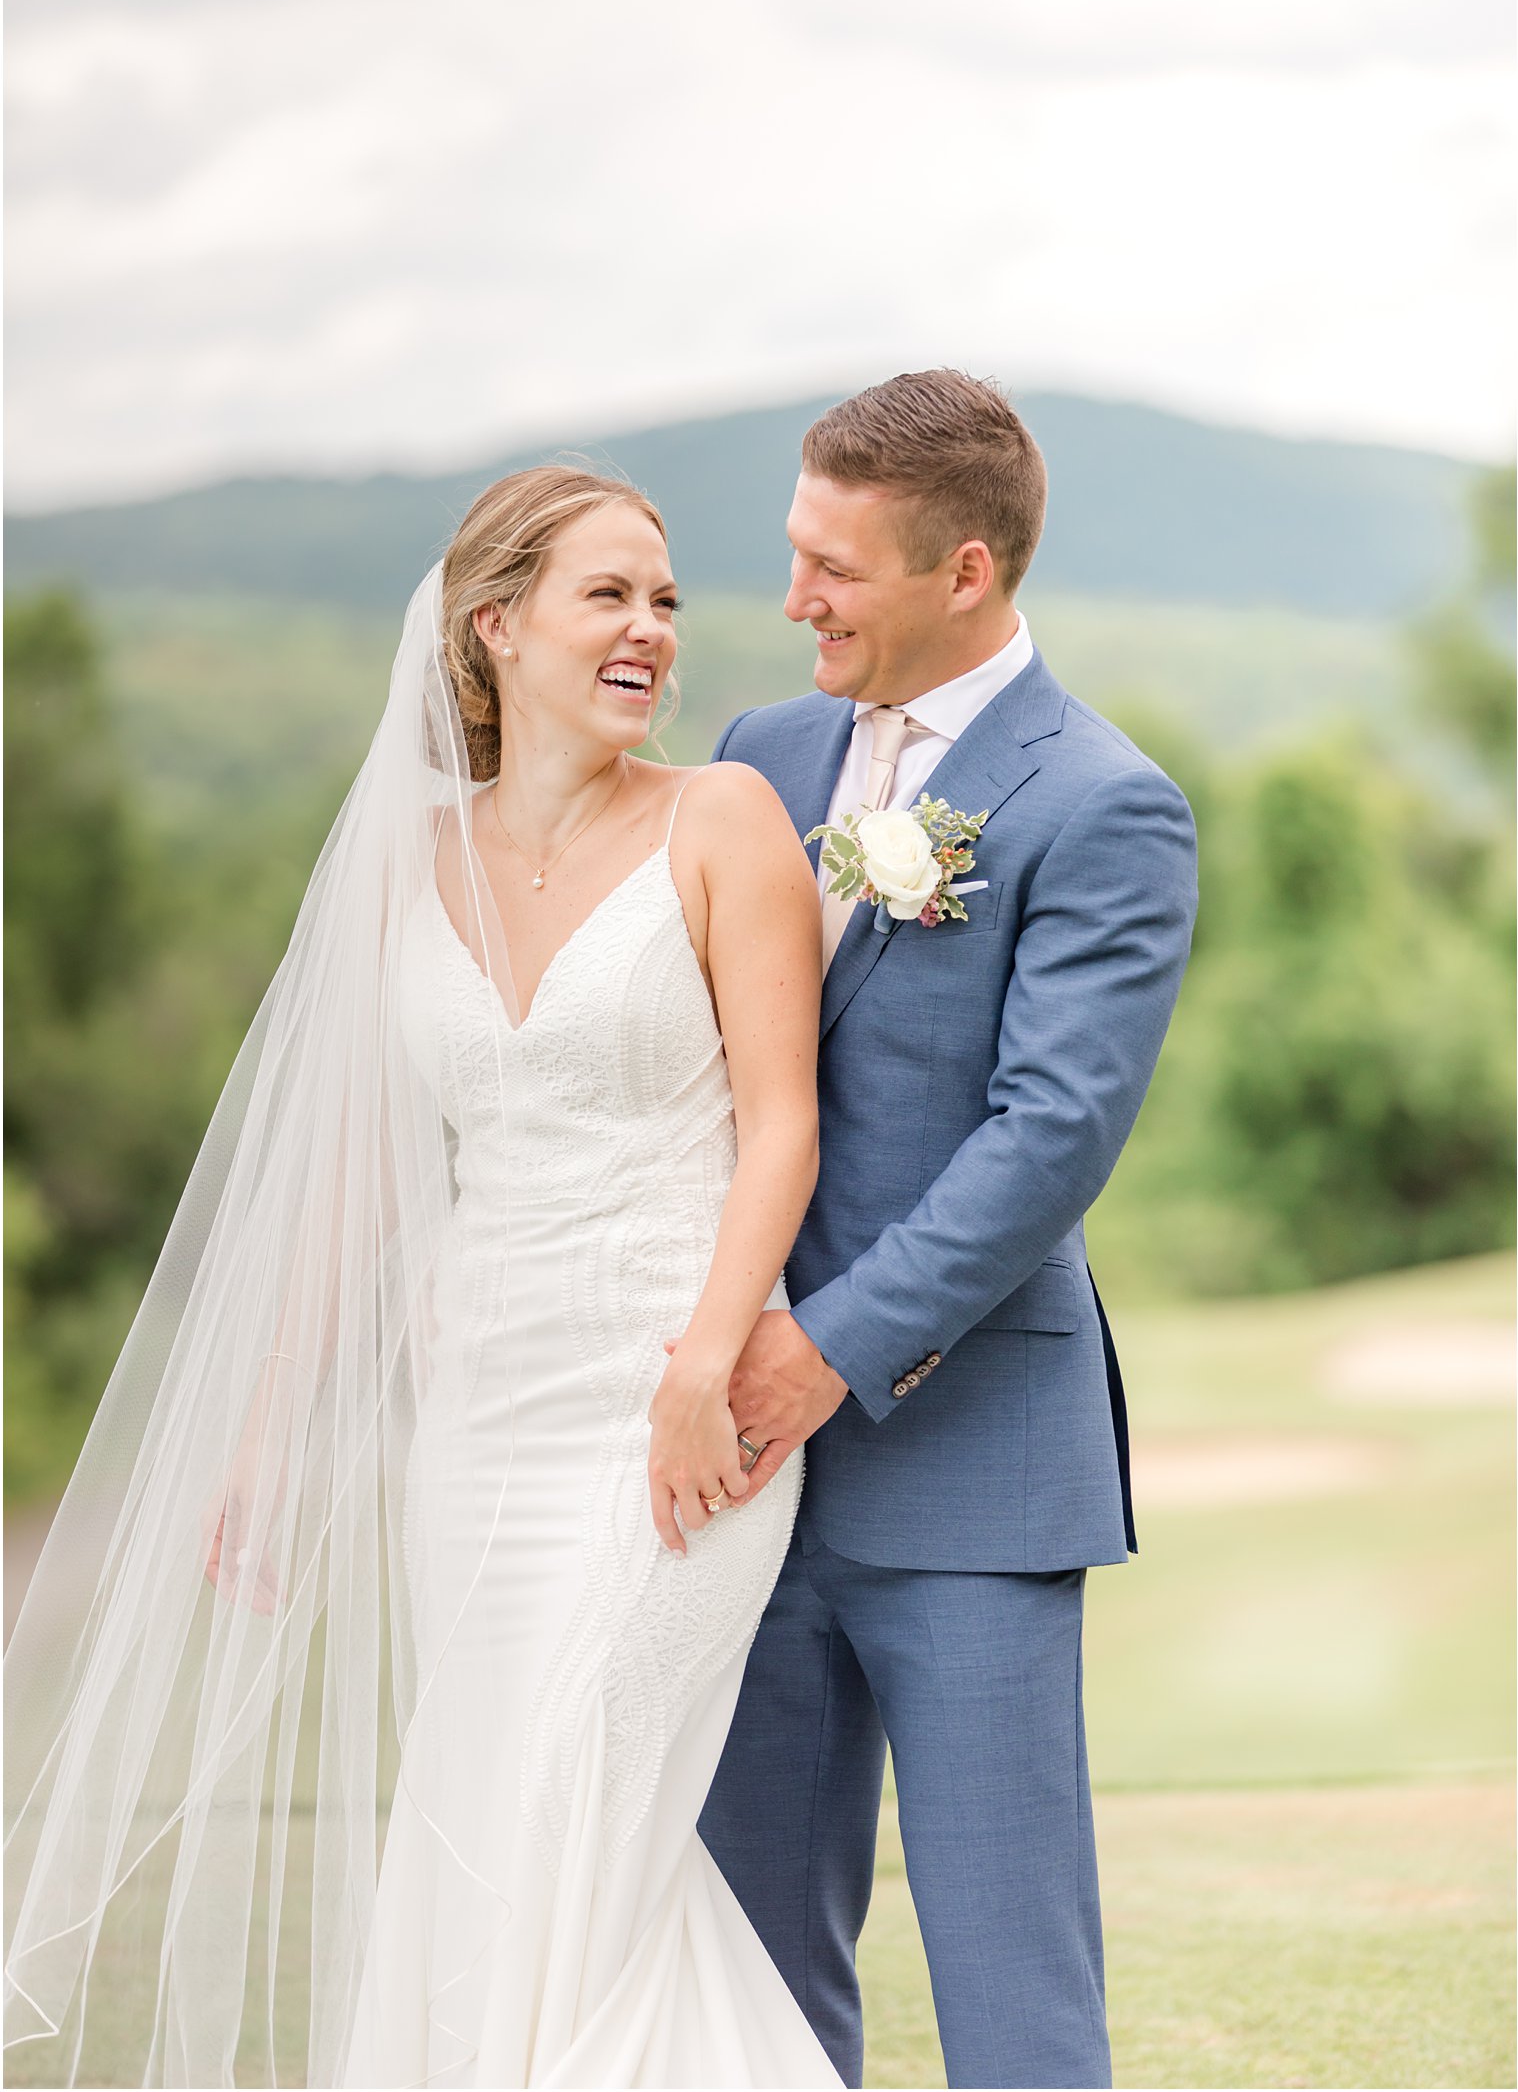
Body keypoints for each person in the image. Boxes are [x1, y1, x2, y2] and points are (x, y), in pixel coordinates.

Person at [4, 466, 839, 2089]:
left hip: (680, 1423)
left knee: (580, 1825)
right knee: (486, 1842)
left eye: (665, 600)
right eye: (609, 595)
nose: (650, 630)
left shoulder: (723, 818)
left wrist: (701, 1364)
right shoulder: (409, 859)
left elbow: (783, 1124)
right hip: (480, 1432)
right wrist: (267, 1425)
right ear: (496, 627)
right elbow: (349, 1196)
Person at [698, 370, 1200, 2090]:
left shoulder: (1102, 801)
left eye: (834, 567)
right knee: (746, 1977)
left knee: (1010, 1982)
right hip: (734, 1479)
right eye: (793, 553)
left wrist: (816, 1353)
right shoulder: (758, 758)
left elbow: (1049, 1140)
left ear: (963, 570)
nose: (793, 601)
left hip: (967, 1460)